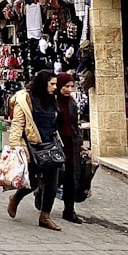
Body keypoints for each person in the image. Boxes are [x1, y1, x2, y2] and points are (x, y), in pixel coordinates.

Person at [6, 70, 63, 231]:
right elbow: (17, 124)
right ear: (42, 83)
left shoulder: (52, 99)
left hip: (50, 145)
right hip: (32, 146)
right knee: (32, 181)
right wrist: (15, 146)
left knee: (52, 182)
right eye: (52, 84)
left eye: (55, 84)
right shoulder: (25, 99)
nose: (54, 87)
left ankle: (45, 216)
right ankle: (16, 198)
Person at [56, 72, 85, 224]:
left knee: (71, 178)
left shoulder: (72, 103)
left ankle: (69, 210)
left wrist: (80, 145)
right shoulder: (52, 101)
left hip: (71, 143)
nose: (69, 89)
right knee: (55, 176)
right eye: (66, 86)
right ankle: (41, 199)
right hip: (56, 144)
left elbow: (75, 125)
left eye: (71, 86)